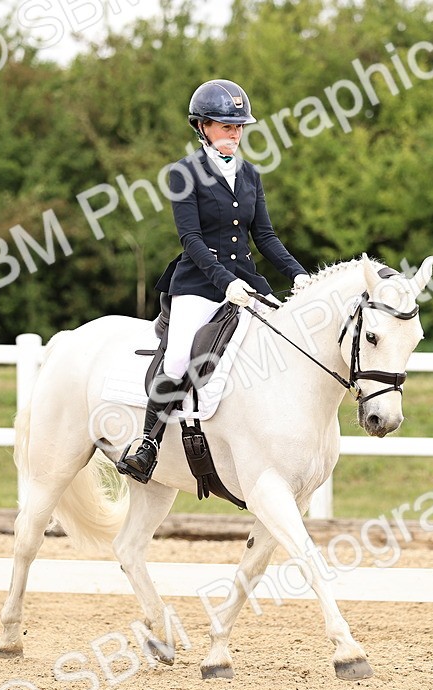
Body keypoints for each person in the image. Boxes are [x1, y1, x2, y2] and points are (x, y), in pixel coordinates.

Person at [116, 78, 310, 483]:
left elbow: (266, 237)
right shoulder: (183, 173)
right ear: (202, 126)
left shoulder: (251, 174)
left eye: (239, 126)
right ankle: (148, 444)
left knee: (285, 340)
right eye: (226, 126)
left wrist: (298, 274)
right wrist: (224, 283)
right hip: (198, 283)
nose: (234, 133)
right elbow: (191, 239)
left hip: (247, 280)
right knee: (177, 358)